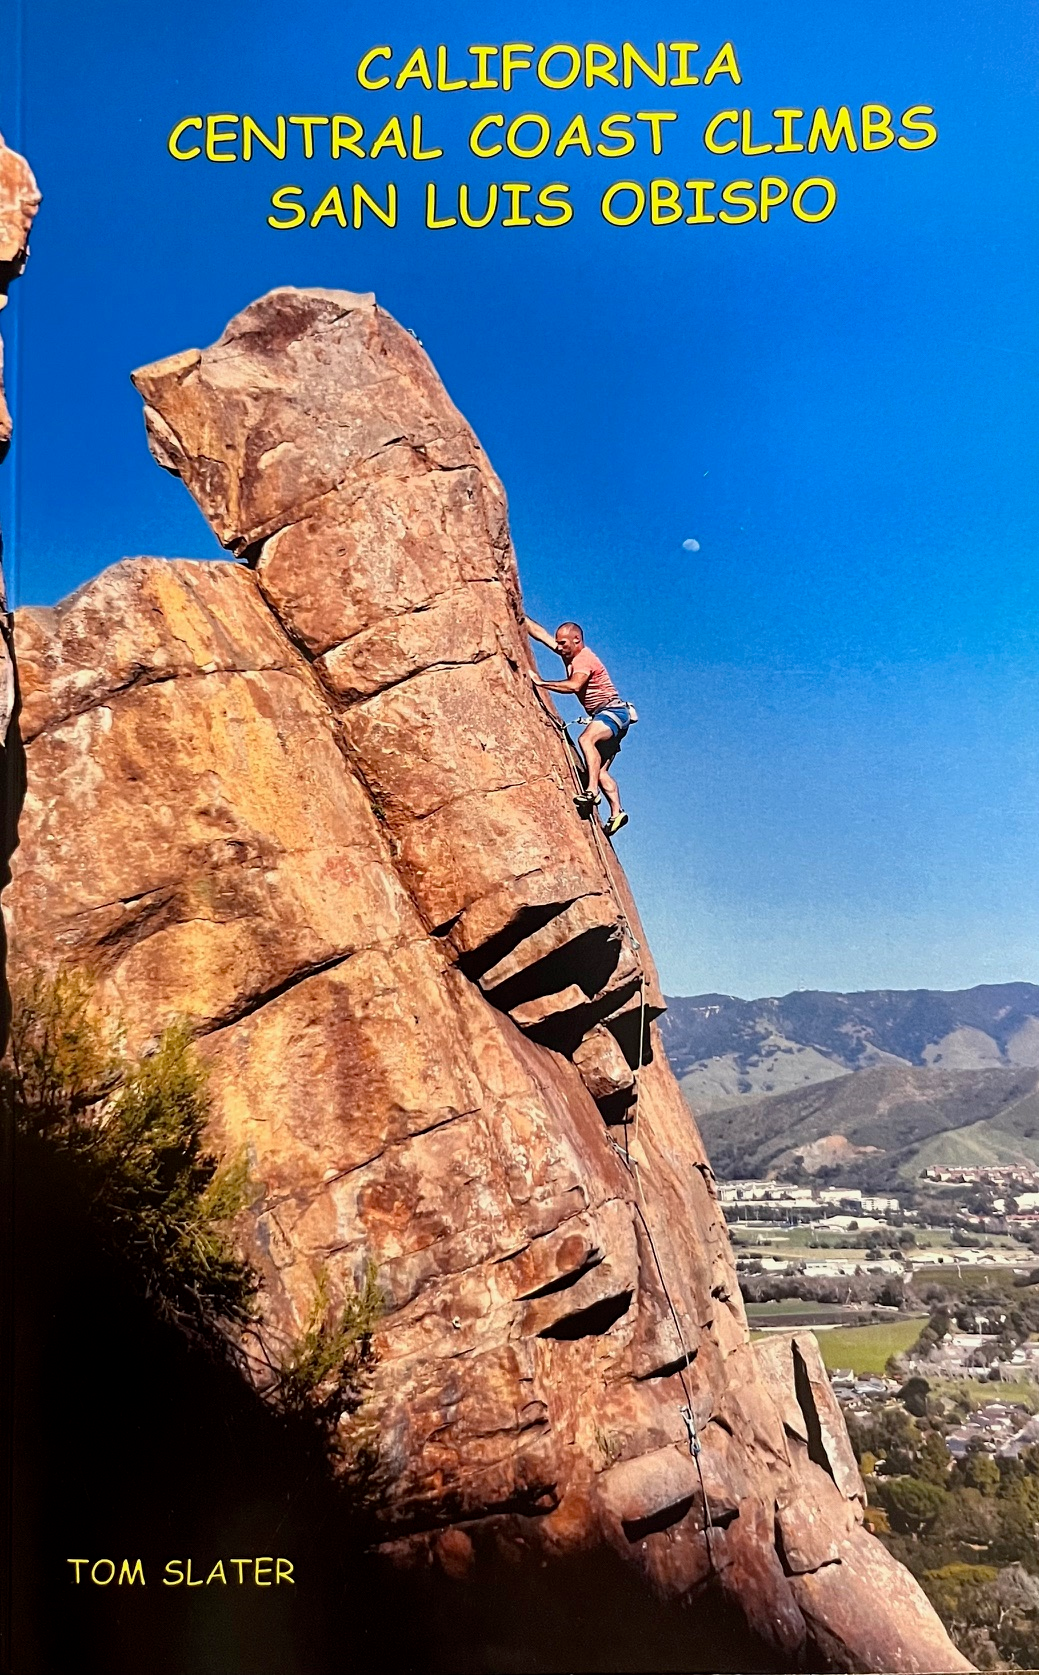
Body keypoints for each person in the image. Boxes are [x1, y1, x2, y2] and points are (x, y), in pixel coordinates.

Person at [525, 617, 635, 837]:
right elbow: (542, 634)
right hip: (612, 716)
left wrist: (541, 683)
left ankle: (592, 792)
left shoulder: (583, 659)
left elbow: (575, 685)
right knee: (600, 770)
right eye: (559, 643)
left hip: (612, 712)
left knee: (586, 740)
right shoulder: (569, 652)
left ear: (577, 640)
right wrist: (519, 615)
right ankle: (617, 812)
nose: (560, 647)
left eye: (564, 643)